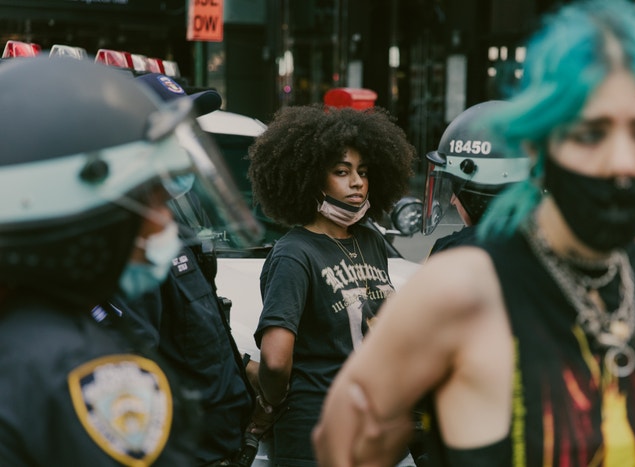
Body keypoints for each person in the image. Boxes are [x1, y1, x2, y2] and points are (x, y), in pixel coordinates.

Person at [312, 1, 635, 465]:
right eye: (591, 132)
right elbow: (345, 445)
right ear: (541, 142)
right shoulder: (463, 286)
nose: (623, 162)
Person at [99, 72, 256, 467]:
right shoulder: (126, 249)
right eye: (174, 131)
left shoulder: (174, 229)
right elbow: (134, 378)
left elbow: (197, 337)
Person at [245, 104, 416, 466]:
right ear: (309, 179)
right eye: (342, 171)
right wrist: (270, 403)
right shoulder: (294, 254)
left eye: (364, 172)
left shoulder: (369, 241)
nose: (357, 182)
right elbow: (275, 362)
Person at [421, 100, 529, 255]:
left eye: (457, 189)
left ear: (476, 195)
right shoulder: (552, 246)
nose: (452, 200)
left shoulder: (451, 253)